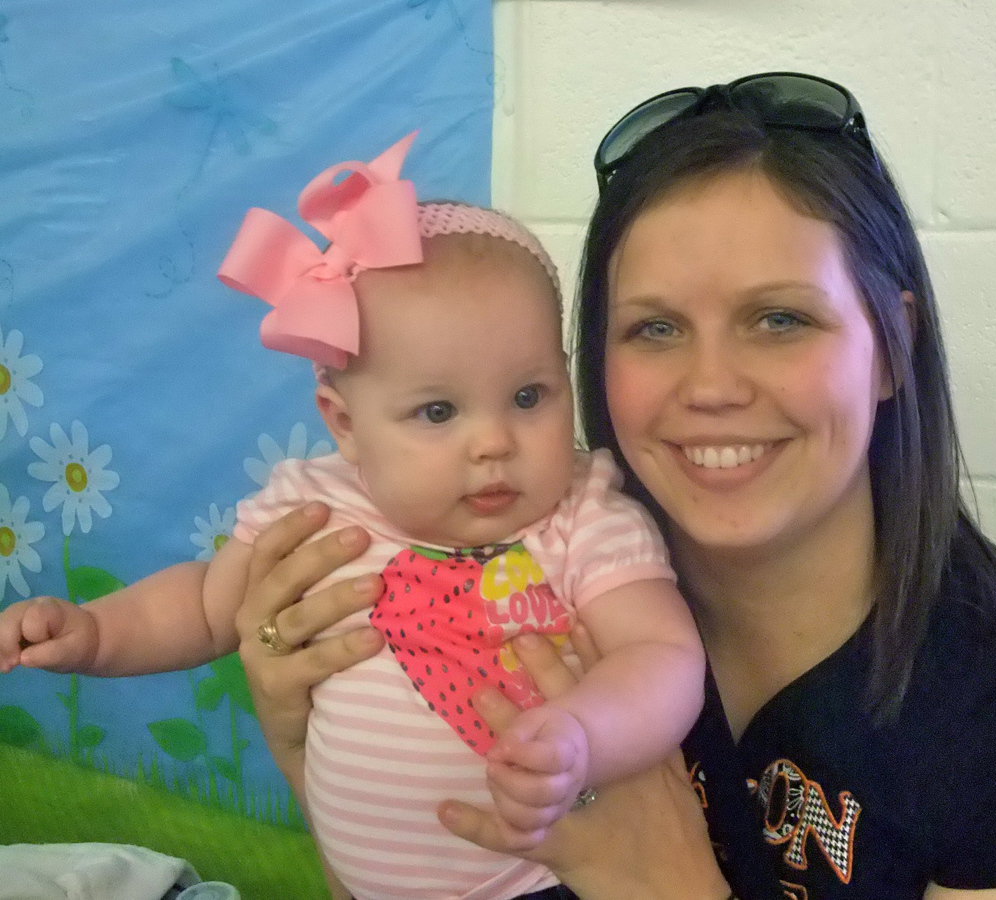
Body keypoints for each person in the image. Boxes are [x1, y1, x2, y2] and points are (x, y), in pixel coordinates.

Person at [229, 73, 996, 899]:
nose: (710, 386)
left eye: (780, 319)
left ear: (893, 345)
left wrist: (663, 884)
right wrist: (296, 735)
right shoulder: (532, 572)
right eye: (657, 330)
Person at [0, 133, 706, 900]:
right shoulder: (314, 503)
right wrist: (97, 633)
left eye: (530, 396)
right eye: (438, 411)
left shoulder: (579, 517)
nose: (495, 443)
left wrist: (583, 736)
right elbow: (207, 604)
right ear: (343, 422)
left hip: (536, 881)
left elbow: (663, 658)